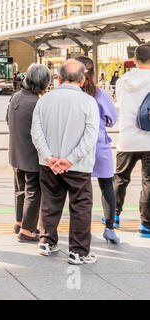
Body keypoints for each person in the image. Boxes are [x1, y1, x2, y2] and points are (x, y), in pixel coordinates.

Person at [31, 59, 100, 265]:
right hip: (77, 166)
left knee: (50, 201)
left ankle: (46, 241)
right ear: (82, 79)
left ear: (58, 78)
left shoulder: (44, 100)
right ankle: (78, 252)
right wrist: (69, 160)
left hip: (48, 164)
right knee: (80, 206)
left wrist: (49, 157)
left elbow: (36, 133)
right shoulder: (89, 102)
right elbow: (90, 136)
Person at [76, 56, 120, 244]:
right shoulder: (100, 94)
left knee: (79, 187)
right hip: (100, 144)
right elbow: (112, 119)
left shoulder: (74, 95)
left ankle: (80, 229)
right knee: (106, 185)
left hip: (77, 146)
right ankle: (109, 228)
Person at [6, 63, 52, 242]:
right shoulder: (38, 103)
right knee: (33, 191)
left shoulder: (16, 96)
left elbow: (7, 120)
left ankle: (19, 222)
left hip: (15, 152)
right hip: (32, 155)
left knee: (19, 190)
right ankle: (27, 231)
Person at [113, 42, 150, 237]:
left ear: (134, 60)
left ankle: (114, 215)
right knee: (148, 182)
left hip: (127, 138)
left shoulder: (122, 81)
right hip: (149, 141)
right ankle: (145, 225)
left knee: (120, 178)